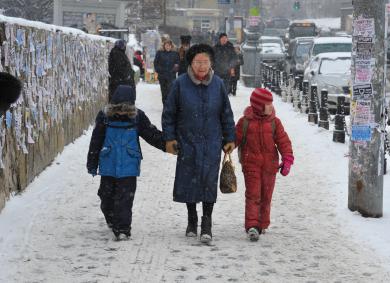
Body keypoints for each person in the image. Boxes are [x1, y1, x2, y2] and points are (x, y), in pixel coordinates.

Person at [162, 43, 236, 244]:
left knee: (208, 182)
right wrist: (170, 138)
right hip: (188, 142)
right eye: (198, 62)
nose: (202, 66)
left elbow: (226, 114)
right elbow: (169, 114)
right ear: (191, 63)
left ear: (211, 63)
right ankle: (191, 218)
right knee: (189, 181)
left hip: (212, 142)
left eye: (205, 62)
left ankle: (207, 222)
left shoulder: (218, 84)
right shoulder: (180, 84)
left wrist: (230, 138)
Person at [86, 85, 165, 241]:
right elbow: (96, 140)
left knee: (125, 199)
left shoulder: (138, 117)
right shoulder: (104, 117)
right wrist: (92, 162)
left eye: (125, 108)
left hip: (129, 166)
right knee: (105, 196)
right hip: (109, 164)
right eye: (118, 108)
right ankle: (111, 218)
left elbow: (151, 134)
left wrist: (167, 144)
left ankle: (123, 229)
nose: (121, 111)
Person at [235, 88, 294, 242]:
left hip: (270, 166)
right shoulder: (245, 122)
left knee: (266, 195)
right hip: (251, 163)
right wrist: (226, 144)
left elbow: (283, 141)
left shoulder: (275, 122)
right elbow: (235, 139)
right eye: (267, 104)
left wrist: (287, 159)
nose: (271, 107)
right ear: (258, 105)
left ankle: (262, 223)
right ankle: (252, 225)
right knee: (253, 194)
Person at [154, 39, 180, 105]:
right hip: (162, 76)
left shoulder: (175, 53)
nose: (168, 47)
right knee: (164, 92)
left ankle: (170, 106)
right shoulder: (159, 53)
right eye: (166, 45)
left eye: (169, 45)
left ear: (171, 46)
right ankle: (165, 106)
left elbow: (177, 63)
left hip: (171, 76)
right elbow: (156, 63)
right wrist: (160, 70)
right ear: (164, 46)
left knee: (170, 92)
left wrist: (174, 70)